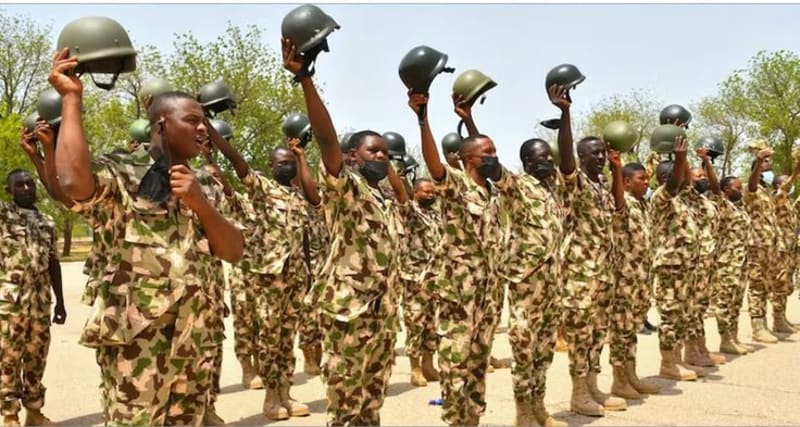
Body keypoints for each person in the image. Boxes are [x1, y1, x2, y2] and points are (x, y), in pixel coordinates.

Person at [49, 47, 243, 426]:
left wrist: (201, 203)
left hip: (195, 344)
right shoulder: (124, 171)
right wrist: (71, 98)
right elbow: (73, 182)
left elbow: (233, 250)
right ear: (160, 125)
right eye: (192, 120)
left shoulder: (206, 182)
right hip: (136, 348)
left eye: (204, 120)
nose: (203, 128)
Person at [283, 38, 408, 426]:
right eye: (374, 152)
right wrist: (305, 78)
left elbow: (404, 198)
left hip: (382, 314)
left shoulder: (383, 197)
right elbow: (325, 140)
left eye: (386, 153)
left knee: (371, 403)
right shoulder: (346, 189)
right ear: (353, 157)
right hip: (348, 314)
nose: (382, 158)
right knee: (346, 404)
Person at [415, 87, 505, 427]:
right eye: (487, 153)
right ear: (468, 160)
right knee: (455, 365)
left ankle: (473, 421)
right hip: (458, 297)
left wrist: (469, 119)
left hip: (488, 297)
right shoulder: (454, 187)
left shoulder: (493, 192)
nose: (494, 156)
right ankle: (455, 421)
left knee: (478, 366)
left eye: (495, 150)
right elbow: (433, 163)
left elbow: (478, 144)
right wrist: (423, 118)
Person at [549, 83, 626, 416]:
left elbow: (620, 209)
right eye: (593, 153)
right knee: (581, 337)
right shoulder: (576, 182)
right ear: (581, 158)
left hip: (603, 275)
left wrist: (618, 169)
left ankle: (593, 386)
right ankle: (578, 394)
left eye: (601, 153)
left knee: (597, 335)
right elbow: (564, 156)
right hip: (580, 277)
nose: (599, 157)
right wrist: (566, 113)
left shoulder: (602, 187)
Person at [495, 137, 567, 427]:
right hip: (527, 284)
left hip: (552, 283)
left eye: (550, 156)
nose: (549, 161)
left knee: (544, 351)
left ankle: (540, 407)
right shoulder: (518, 186)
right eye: (542, 157)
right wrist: (470, 120)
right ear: (527, 162)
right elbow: (495, 169)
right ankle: (523, 413)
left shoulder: (553, 189)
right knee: (524, 351)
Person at [1, 167, 67, 427]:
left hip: (40, 303)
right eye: (20, 185)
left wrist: (60, 301)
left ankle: (34, 412)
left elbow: (53, 263)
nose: (27, 188)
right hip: (10, 303)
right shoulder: (4, 215)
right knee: (7, 358)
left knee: (37, 358)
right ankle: (9, 415)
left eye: (30, 183)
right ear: (9, 191)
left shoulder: (48, 222)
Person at [650, 138, 703, 382]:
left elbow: (687, 184)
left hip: (686, 268)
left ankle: (678, 359)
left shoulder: (682, 199)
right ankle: (668, 363)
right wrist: (680, 159)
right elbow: (672, 186)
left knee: (683, 314)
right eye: (680, 174)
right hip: (670, 268)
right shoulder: (661, 198)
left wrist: (686, 157)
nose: (685, 178)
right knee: (671, 316)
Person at [608, 162, 661, 400]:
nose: (646, 182)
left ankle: (631, 376)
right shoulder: (623, 202)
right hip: (624, 280)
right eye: (641, 178)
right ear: (627, 182)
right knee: (620, 332)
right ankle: (619, 381)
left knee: (631, 331)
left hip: (640, 280)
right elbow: (616, 202)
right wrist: (616, 169)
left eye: (647, 178)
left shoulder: (642, 205)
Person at [683, 152, 725, 368]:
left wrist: (707, 163)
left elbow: (717, 189)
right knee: (692, 309)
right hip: (694, 263)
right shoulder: (687, 198)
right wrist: (683, 154)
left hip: (709, 262)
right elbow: (685, 176)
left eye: (704, 177)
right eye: (697, 176)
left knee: (700, 308)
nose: (702, 179)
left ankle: (701, 348)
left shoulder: (707, 201)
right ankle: (691, 351)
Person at [400, 178, 443, 387]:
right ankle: (415, 368)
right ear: (415, 192)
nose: (430, 195)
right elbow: (402, 196)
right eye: (425, 192)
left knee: (433, 323)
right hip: (415, 277)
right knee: (415, 322)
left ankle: (428, 364)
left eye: (432, 192)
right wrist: (401, 181)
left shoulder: (436, 214)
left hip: (436, 277)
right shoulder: (410, 212)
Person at [744, 148, 782, 343]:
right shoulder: (750, 189)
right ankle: (757, 326)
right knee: (757, 285)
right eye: (765, 168)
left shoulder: (766, 192)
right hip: (756, 245)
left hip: (769, 246)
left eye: (770, 168)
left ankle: (767, 322)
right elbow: (751, 184)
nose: (770, 172)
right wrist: (758, 162)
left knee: (767, 284)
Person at [712, 176, 754, 354]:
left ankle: (734, 336)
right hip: (727, 261)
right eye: (737, 188)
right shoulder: (722, 204)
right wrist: (706, 161)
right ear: (726, 190)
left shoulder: (741, 207)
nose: (740, 190)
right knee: (725, 301)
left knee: (736, 301)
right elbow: (715, 188)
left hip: (742, 260)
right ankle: (725, 339)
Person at [770, 170, 800, 334]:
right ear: (778, 186)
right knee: (780, 283)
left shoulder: (788, 202)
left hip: (790, 248)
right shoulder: (778, 199)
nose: (791, 185)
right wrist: (796, 172)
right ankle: (778, 320)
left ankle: (782, 317)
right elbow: (786, 188)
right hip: (781, 248)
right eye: (787, 183)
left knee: (787, 284)